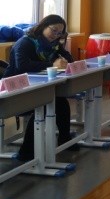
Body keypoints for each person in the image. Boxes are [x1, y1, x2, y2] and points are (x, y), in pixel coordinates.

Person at [3, 15, 74, 161]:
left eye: (59, 33)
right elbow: (22, 66)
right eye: (53, 30)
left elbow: (69, 59)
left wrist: (64, 59)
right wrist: (52, 64)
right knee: (43, 104)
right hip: (14, 91)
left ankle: (64, 139)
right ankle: (26, 152)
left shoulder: (53, 44)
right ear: (43, 26)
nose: (56, 35)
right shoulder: (25, 42)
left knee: (60, 102)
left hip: (35, 87)